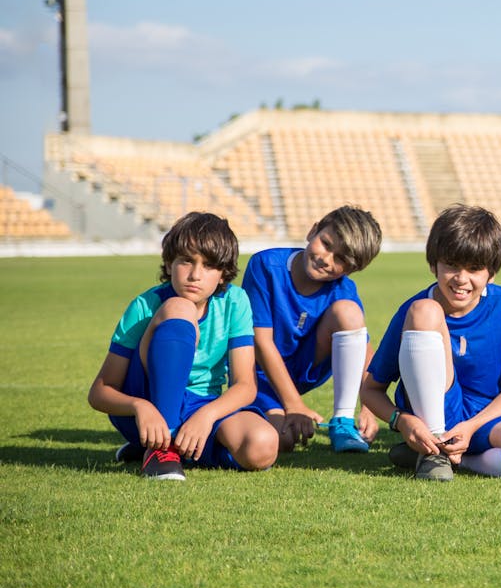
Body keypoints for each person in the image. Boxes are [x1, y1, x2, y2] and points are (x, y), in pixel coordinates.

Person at [360, 204, 501, 481]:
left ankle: (450, 458)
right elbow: (371, 390)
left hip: (482, 418)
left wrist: (472, 427)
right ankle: (434, 448)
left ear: (491, 273)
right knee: (427, 311)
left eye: (474, 269)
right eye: (451, 266)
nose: (461, 279)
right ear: (433, 264)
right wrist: (401, 421)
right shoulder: (414, 310)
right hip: (427, 419)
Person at [88, 212, 278, 480]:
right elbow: (99, 392)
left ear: (223, 274)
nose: (195, 275)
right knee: (179, 308)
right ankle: (160, 449)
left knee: (263, 445)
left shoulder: (236, 302)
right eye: (186, 261)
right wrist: (140, 408)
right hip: (147, 404)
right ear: (168, 264)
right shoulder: (144, 305)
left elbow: (245, 386)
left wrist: (206, 416)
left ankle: (169, 445)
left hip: (201, 404)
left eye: (209, 265)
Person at [241, 205, 383, 454]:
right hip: (259, 375)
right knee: (282, 441)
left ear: (351, 270)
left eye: (340, 259)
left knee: (348, 312)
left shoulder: (343, 290)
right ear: (313, 231)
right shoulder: (265, 265)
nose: (326, 259)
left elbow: (364, 348)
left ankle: (342, 422)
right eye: (326, 244)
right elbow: (261, 343)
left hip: (303, 370)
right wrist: (294, 405)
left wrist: (369, 408)